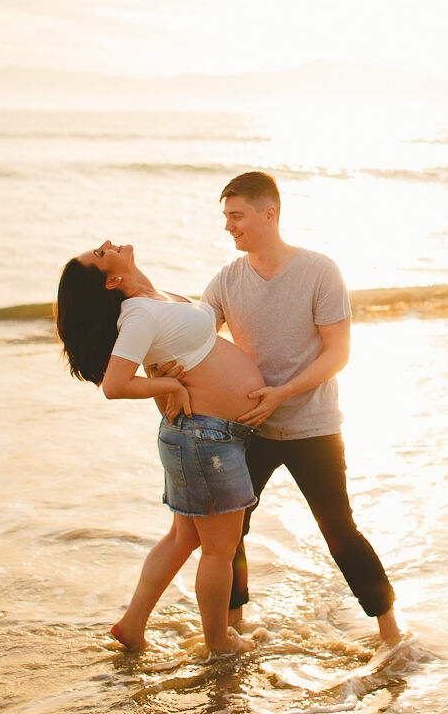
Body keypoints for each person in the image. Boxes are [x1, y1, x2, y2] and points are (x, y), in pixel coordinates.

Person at [202, 172, 400, 644]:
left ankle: (390, 629)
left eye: (237, 216)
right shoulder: (228, 279)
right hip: (251, 429)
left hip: (314, 427)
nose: (229, 227)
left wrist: (283, 393)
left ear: (269, 214)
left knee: (339, 531)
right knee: (230, 532)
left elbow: (339, 353)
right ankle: (233, 627)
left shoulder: (319, 271)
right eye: (225, 217)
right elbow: (191, 332)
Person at [55, 240, 262, 657]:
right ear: (111, 280)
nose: (107, 245)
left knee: (183, 537)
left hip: (202, 438)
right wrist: (168, 384)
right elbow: (114, 385)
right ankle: (219, 643)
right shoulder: (138, 315)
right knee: (219, 551)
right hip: (207, 440)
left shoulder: (151, 297)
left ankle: (132, 625)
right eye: (99, 253)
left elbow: (173, 345)